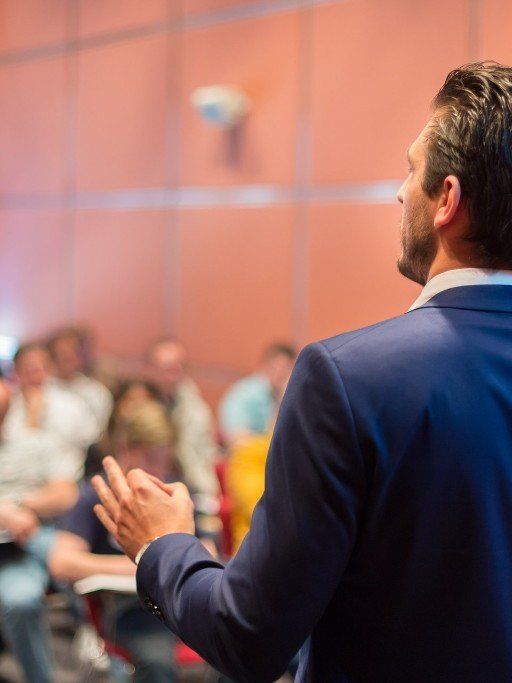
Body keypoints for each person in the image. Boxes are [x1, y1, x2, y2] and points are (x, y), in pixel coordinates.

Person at [93, 62, 512, 681]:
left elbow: (249, 635)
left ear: (446, 199)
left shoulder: (346, 378)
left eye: (410, 169)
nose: (400, 193)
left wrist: (163, 545)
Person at [49, 401, 218, 683]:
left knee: (239, 649)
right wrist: (143, 563)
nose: (158, 471)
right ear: (125, 450)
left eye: (165, 460)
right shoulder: (98, 494)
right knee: (156, 660)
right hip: (127, 609)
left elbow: (209, 551)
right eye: (150, 459)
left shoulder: (173, 489)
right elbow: (61, 562)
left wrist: (159, 561)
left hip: (178, 604)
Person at [0, 378, 79, 683]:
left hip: (27, 539)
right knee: (22, 598)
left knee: (74, 561)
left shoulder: (33, 443)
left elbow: (66, 494)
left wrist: (19, 506)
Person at [3, 343, 97, 466]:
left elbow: (86, 440)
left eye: (41, 368)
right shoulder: (8, 405)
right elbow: (10, 450)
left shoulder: (70, 404)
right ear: (16, 371)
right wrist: (32, 417)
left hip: (63, 474)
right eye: (28, 369)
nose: (35, 376)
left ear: (50, 369)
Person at [147, 338, 219, 496]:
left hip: (191, 486)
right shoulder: (138, 401)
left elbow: (206, 457)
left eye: (179, 368)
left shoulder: (196, 408)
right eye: (167, 369)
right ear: (151, 369)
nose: (173, 376)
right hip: (147, 481)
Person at [218, 343, 296, 444]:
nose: (281, 374)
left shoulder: (286, 394)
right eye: (277, 368)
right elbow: (235, 436)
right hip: (244, 451)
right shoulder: (244, 393)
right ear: (265, 366)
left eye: (287, 369)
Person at [47, 327, 113, 439]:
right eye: (62, 353)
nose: (67, 356)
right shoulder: (42, 389)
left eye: (73, 351)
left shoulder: (96, 392)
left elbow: (97, 431)